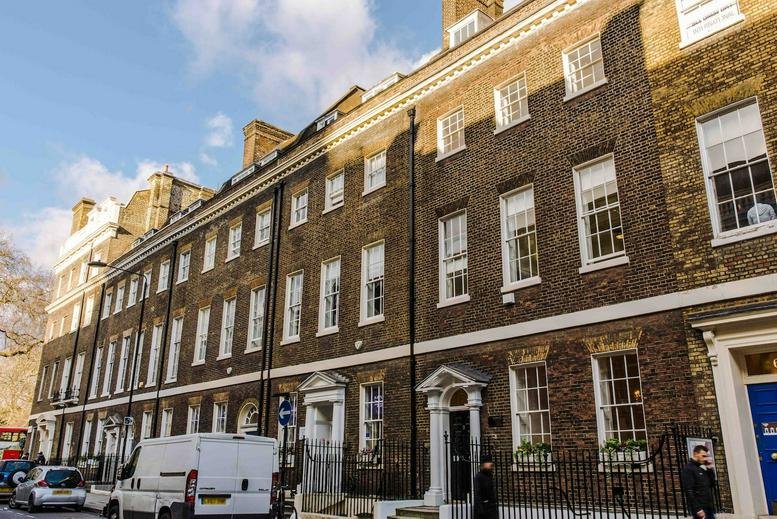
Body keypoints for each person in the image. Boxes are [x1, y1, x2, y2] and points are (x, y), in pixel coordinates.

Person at [681, 445, 716, 519]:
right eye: (703, 456)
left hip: (708, 506)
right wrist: (698, 509)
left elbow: (712, 484)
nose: (705, 458)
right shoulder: (688, 469)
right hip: (700, 509)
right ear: (695, 454)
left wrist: (710, 470)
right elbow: (689, 491)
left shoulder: (702, 468)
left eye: (706, 456)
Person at [473, 455, 498, 519]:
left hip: (491, 508)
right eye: (488, 462)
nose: (491, 464)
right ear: (483, 464)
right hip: (483, 509)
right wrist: (481, 510)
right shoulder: (479, 476)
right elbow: (477, 494)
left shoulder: (489, 476)